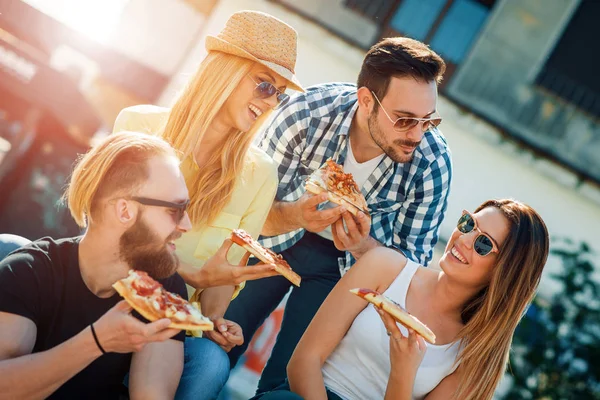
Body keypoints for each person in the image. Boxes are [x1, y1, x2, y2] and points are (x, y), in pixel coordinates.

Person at [225, 36, 452, 392]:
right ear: (366, 100)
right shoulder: (306, 113)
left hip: (345, 268)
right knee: (219, 335)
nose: (418, 135)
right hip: (268, 239)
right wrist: (296, 216)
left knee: (288, 381)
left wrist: (364, 247)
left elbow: (413, 271)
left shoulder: (432, 165)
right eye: (405, 119)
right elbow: (240, 211)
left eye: (428, 121)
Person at [113, 10, 304, 397]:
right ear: (225, 71)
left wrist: (215, 321)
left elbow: (219, 284)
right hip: (110, 289)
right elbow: (110, 239)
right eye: (265, 85)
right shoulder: (137, 126)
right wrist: (190, 276)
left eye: (279, 95)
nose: (270, 104)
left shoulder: (260, 174)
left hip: (180, 321)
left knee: (212, 362)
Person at [259, 199, 550, 400]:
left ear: (505, 273)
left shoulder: (475, 354)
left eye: (483, 243)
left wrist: (404, 371)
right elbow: (302, 361)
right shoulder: (385, 266)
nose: (463, 239)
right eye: (468, 223)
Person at [0, 131, 193, 399]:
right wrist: (96, 341)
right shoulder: (29, 271)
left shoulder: (163, 290)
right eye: (176, 210)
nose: (187, 225)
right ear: (125, 210)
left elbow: (152, 395)